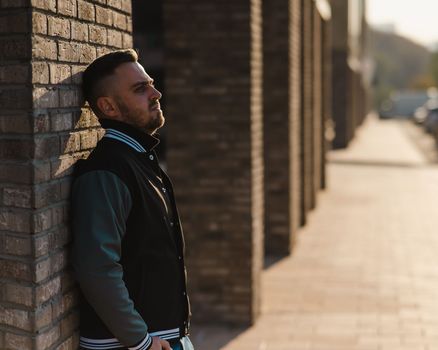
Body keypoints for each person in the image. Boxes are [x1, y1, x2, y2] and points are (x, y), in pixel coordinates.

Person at [71, 49, 193, 350]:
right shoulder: (107, 170)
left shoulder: (137, 158)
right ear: (108, 106)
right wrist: (140, 340)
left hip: (161, 338)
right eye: (141, 88)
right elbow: (96, 266)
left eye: (150, 83)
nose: (156, 92)